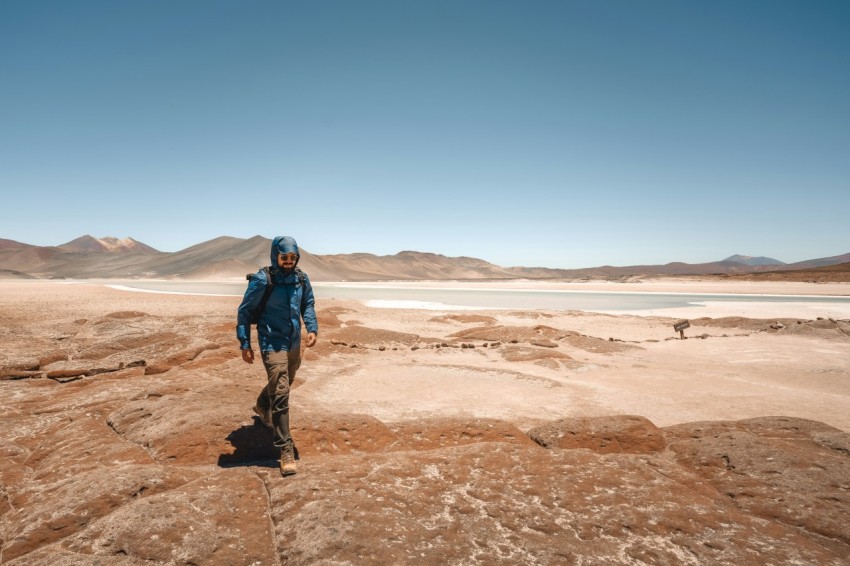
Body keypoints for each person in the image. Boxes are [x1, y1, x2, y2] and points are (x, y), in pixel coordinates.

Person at [236, 236, 318, 476]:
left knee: (284, 381)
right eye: (284, 257)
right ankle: (285, 449)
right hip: (271, 342)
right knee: (282, 393)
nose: (288, 262)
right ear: (276, 256)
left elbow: (308, 304)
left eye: (293, 257)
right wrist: (244, 343)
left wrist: (312, 327)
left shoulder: (301, 278)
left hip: (293, 342)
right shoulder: (264, 279)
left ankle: (262, 404)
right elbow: (245, 311)